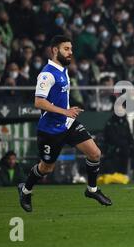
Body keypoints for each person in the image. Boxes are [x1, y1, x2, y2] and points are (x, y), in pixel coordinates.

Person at [17, 35, 112, 212]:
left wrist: (68, 111)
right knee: (46, 168)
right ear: (55, 50)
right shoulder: (46, 74)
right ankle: (26, 189)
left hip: (68, 123)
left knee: (95, 153)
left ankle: (92, 190)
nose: (70, 52)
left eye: (71, 49)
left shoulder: (63, 70)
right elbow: (39, 102)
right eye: (66, 49)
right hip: (50, 130)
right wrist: (65, 111)